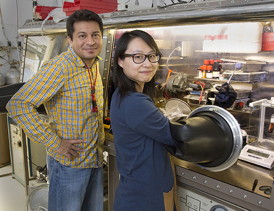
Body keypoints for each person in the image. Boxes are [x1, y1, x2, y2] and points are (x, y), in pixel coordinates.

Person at [6, 9, 105, 211]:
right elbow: (18, 104)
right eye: (82, 36)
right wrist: (55, 142)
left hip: (93, 158)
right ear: (70, 39)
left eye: (95, 35)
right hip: (69, 165)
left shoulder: (94, 65)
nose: (90, 41)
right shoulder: (59, 67)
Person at [110, 30, 178, 211]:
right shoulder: (135, 102)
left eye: (151, 56)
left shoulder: (122, 94)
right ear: (120, 60)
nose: (147, 63)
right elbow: (175, 137)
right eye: (138, 57)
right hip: (144, 199)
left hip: (134, 192)